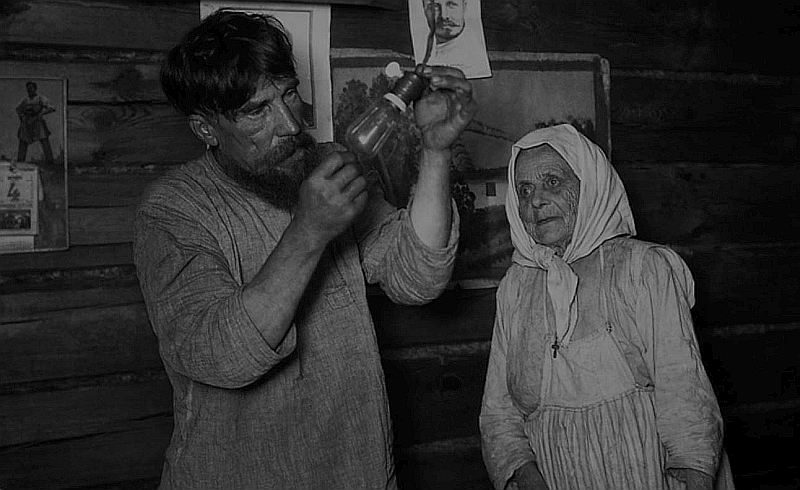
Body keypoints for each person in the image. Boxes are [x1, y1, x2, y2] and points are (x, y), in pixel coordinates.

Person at [133, 9, 476, 490]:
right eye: (257, 110)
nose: (291, 124)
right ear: (206, 129)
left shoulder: (325, 164)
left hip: (356, 471)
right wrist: (308, 232)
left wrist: (435, 151)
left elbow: (418, 276)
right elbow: (223, 356)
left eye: (289, 93)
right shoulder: (174, 209)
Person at [479, 124, 734, 490]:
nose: (535, 201)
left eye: (552, 182)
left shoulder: (642, 268)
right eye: (524, 189)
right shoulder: (515, 288)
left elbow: (686, 398)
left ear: (590, 186)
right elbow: (499, 413)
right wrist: (528, 477)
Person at [422, 0, 490, 78]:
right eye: (434, 7)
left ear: (464, 6)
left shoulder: (474, 54)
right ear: (424, 9)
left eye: (452, 5)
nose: (444, 16)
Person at [15, 81, 55, 165]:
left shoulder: (41, 98)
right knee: (23, 140)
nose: (29, 90)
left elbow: (51, 108)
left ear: (35, 89)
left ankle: (50, 161)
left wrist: (41, 114)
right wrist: (22, 118)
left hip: (37, 122)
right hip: (27, 123)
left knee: (44, 140)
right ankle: (20, 161)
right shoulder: (25, 100)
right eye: (28, 88)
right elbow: (18, 109)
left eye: (31, 88)